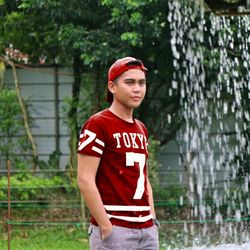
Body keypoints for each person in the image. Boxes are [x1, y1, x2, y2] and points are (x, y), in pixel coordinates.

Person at [77, 57, 159, 250]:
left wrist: (152, 219)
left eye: (141, 83)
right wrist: (106, 226)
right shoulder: (98, 124)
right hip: (116, 228)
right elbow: (84, 178)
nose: (137, 89)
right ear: (112, 87)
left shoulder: (141, 128)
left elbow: (144, 178)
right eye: (129, 82)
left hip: (147, 229)